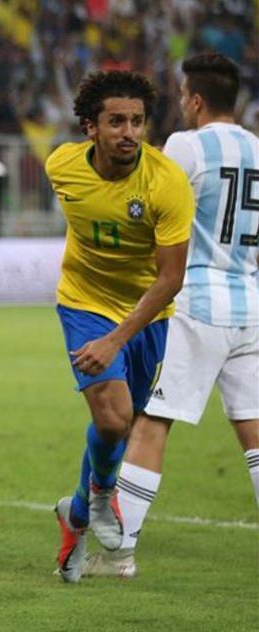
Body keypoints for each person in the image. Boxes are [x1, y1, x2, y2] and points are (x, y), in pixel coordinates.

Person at [83, 54, 259, 578]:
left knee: (152, 421)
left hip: (194, 302)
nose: (181, 105)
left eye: (183, 97)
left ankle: (120, 555)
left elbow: (148, 197)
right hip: (250, 302)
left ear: (197, 100)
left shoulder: (185, 145)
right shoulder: (257, 147)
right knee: (253, 431)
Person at [45, 71, 194, 583]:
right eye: (116, 122)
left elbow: (171, 278)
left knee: (125, 422)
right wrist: (102, 334)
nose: (129, 132)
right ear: (91, 128)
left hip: (148, 310)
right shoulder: (61, 166)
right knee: (112, 420)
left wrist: (118, 337)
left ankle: (77, 517)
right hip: (83, 303)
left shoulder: (165, 183)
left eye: (137, 121)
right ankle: (104, 499)